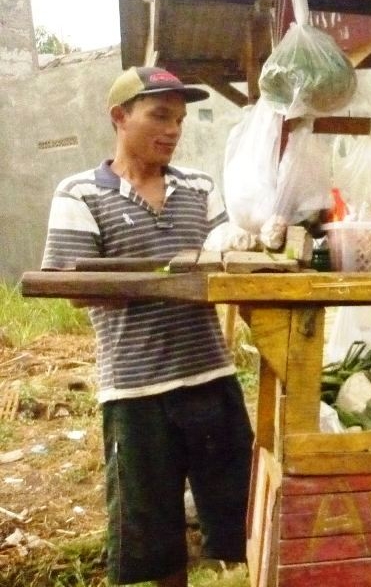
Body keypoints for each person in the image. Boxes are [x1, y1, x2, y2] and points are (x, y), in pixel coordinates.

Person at [40, 66, 254, 586]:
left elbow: (228, 258)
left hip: (210, 377)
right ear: (119, 117)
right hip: (136, 393)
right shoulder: (79, 194)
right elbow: (74, 289)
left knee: (244, 521)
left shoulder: (199, 187)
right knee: (155, 541)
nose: (173, 130)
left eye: (179, 119)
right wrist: (173, 278)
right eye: (159, 115)